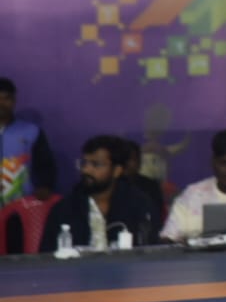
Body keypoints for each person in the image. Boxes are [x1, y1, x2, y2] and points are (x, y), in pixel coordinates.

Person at [43, 136, 158, 250]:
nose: (86, 170)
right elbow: (47, 256)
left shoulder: (139, 205)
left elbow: (151, 252)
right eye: (84, 163)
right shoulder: (64, 209)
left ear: (117, 171)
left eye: (96, 164)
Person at [0, 77, 56, 208]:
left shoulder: (32, 131)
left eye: (6, 98)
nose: (1, 103)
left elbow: (45, 163)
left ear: (14, 101)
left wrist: (45, 185)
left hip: (21, 206)